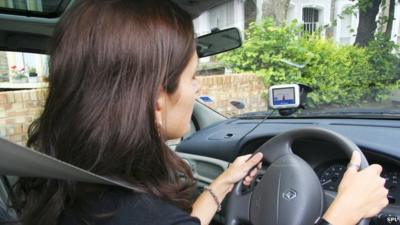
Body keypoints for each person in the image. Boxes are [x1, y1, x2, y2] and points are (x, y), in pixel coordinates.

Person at [11, 0, 388, 225]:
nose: (198, 89)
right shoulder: (136, 211)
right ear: (158, 99)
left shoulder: (70, 181)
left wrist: (220, 188)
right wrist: (343, 213)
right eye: (192, 77)